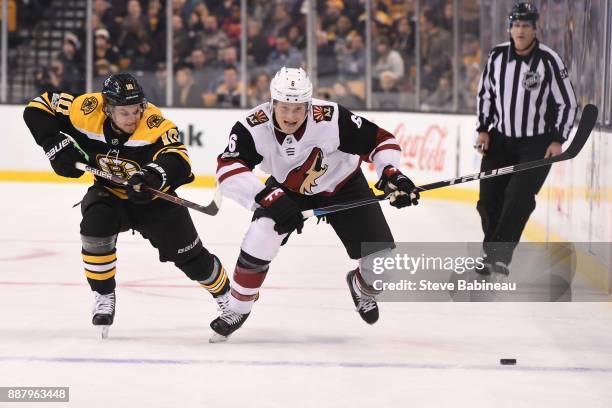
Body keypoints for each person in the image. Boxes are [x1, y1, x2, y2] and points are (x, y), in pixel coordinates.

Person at [210, 67, 420, 341]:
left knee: (383, 267)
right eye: (284, 108)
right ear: (272, 103)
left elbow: (380, 141)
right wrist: (268, 198)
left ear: (309, 105)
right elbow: (228, 169)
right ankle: (236, 309)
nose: (291, 116)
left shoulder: (331, 118)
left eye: (298, 109)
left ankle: (361, 287)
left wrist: (391, 173)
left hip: (344, 184)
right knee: (260, 235)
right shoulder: (253, 125)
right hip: (289, 189)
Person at [22, 73, 230, 336]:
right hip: (109, 194)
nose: (133, 118)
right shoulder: (85, 110)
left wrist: (152, 176)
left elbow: (178, 158)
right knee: (94, 227)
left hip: (153, 200)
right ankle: (103, 295)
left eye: (136, 109)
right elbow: (38, 106)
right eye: (125, 113)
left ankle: (227, 297)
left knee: (192, 259)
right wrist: (54, 144)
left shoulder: (154, 123)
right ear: (107, 109)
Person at [474, 2, 577, 276]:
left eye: (525, 25)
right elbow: (486, 94)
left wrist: (558, 139)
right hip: (500, 140)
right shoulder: (496, 56)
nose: (520, 30)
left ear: (535, 29)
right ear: (510, 27)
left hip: (536, 144)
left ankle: (498, 257)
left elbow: (567, 103)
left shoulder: (549, 60)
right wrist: (483, 128)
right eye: (516, 25)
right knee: (487, 199)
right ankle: (491, 253)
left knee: (518, 197)